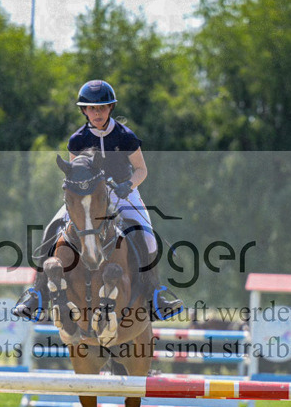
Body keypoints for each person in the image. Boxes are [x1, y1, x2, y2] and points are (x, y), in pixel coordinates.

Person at [13, 79, 183, 321]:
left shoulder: (125, 136)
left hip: (123, 192)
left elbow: (141, 170)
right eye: (92, 108)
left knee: (146, 234)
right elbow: (74, 171)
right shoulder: (77, 140)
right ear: (84, 110)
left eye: (102, 107)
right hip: (88, 196)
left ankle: (155, 294)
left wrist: (128, 185)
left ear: (110, 108)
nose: (97, 113)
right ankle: (37, 293)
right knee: (52, 229)